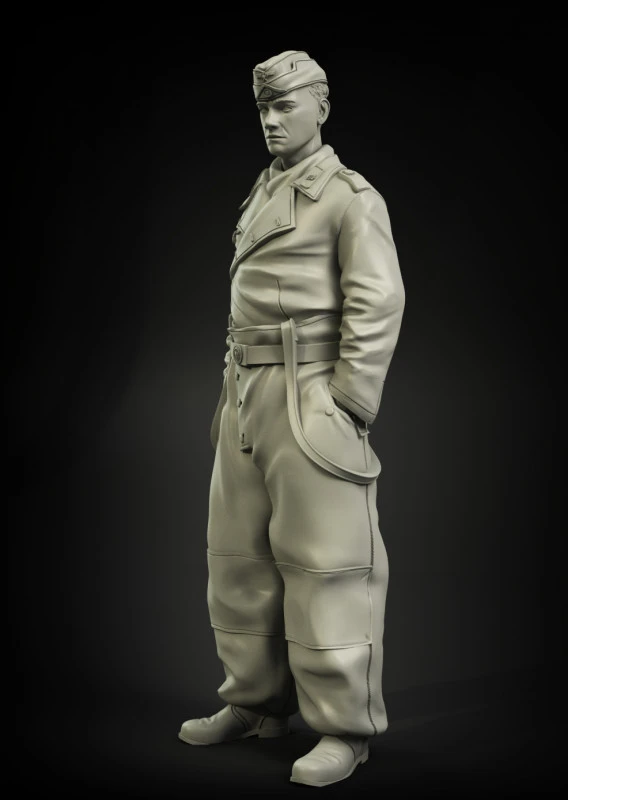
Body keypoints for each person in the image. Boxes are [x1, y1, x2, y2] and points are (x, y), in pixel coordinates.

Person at [178, 50, 405, 788]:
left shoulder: (347, 195)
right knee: (238, 558)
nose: (272, 121)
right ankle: (255, 702)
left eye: (287, 105)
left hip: (308, 391)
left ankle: (343, 728)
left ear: (322, 107)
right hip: (246, 388)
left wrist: (349, 401)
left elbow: (378, 299)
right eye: (264, 109)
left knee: (327, 563)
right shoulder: (266, 188)